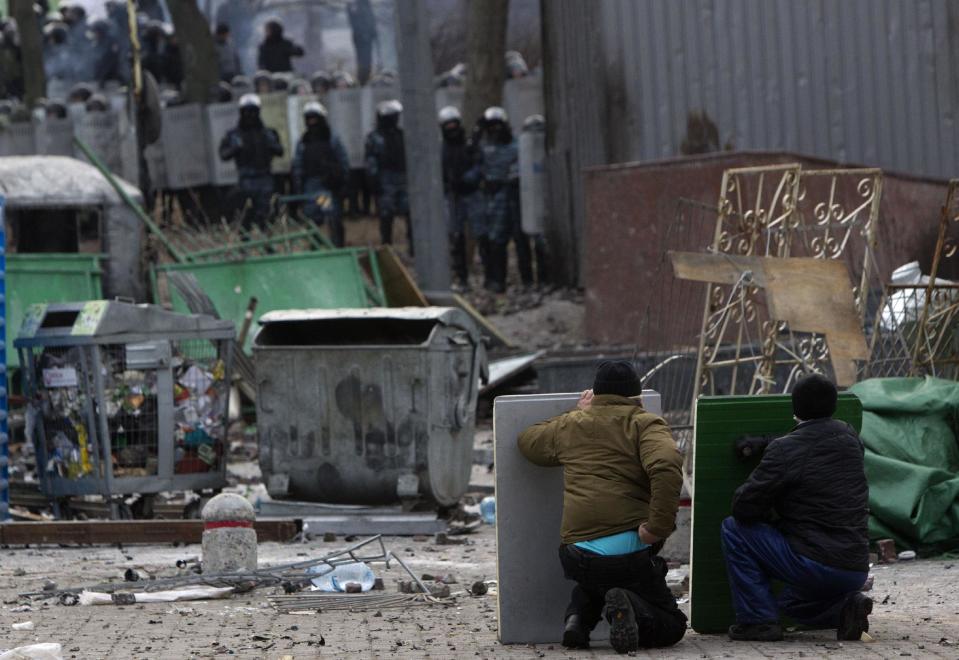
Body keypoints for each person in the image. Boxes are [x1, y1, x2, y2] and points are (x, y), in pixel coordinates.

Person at [517, 360, 688, 653]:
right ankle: (629, 606)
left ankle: (577, 623)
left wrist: (577, 414)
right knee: (673, 624)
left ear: (595, 394)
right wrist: (657, 528)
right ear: (637, 397)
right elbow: (666, 465)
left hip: (576, 555)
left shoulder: (573, 423)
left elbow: (527, 442)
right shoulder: (644, 423)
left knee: (596, 582)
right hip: (630, 554)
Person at [720, 373, 871, 642]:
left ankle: (758, 622)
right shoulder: (851, 438)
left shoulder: (784, 451)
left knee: (734, 529)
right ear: (833, 405)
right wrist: (768, 443)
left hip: (814, 564)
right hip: (855, 567)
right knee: (791, 604)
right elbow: (814, 443)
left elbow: (743, 507)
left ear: (795, 407)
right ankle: (845, 609)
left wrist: (768, 511)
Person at [476, 106, 532, 292]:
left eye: (497, 125)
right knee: (493, 239)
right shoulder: (483, 145)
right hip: (490, 197)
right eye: (491, 126)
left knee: (518, 238)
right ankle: (496, 280)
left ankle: (527, 281)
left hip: (512, 196)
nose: (495, 130)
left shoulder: (515, 145)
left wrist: (508, 180)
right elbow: (477, 166)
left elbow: (519, 169)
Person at [218, 93, 283, 233]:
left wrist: (270, 144)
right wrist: (235, 148)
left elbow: (280, 150)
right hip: (245, 181)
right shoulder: (234, 134)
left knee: (266, 217)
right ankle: (245, 246)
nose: (250, 115)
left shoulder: (267, 133)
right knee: (245, 217)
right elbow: (223, 155)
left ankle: (268, 245)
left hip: (265, 179)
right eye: (247, 112)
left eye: (253, 111)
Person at [292, 101, 350, 247]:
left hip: (328, 187)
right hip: (311, 187)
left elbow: (343, 162)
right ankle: (315, 249)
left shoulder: (332, 138)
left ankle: (337, 249)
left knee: (332, 218)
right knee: (312, 220)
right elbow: (298, 167)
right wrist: (298, 189)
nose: (312, 122)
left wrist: (343, 183)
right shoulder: (303, 142)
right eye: (309, 119)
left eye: (315, 119)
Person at [438, 105, 483, 289]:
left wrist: (468, 178)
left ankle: (492, 278)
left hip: (471, 193)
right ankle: (462, 278)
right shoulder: (442, 149)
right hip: (452, 196)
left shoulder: (469, 144)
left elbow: (480, 165)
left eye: (453, 125)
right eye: (447, 126)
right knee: (456, 237)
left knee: (483, 234)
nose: (451, 129)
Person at [365, 99, 411, 250]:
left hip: (403, 178)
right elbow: (371, 160)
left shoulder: (402, 135)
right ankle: (387, 247)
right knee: (386, 214)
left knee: (409, 212)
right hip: (385, 180)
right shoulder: (375, 137)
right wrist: (374, 180)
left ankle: (413, 246)